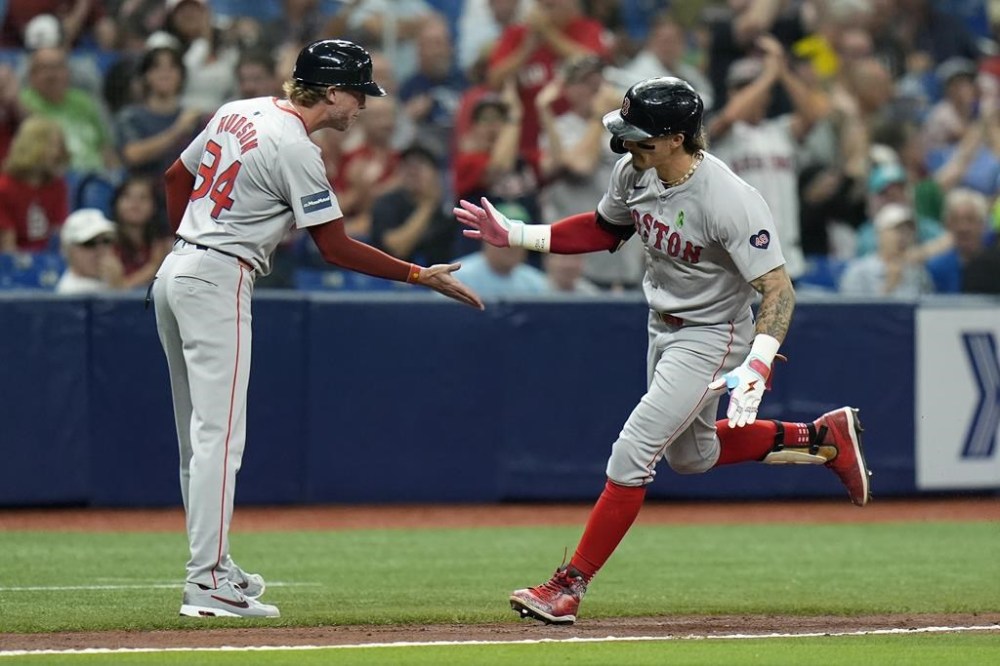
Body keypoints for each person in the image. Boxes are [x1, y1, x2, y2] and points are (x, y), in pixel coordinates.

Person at [455, 76, 871, 625]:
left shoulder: (727, 197)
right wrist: (519, 235)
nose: (627, 144)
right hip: (664, 325)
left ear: (677, 137)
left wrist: (759, 360)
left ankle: (568, 585)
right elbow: (605, 230)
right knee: (691, 457)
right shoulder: (636, 170)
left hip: (714, 332)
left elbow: (778, 289)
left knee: (633, 453)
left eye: (640, 135)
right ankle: (820, 437)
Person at [153, 38, 483, 619]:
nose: (361, 106)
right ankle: (205, 582)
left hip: (177, 268)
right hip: (217, 277)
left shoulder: (239, 109)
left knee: (198, 440)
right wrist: (417, 274)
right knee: (219, 440)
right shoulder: (295, 147)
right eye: (358, 93)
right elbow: (334, 247)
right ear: (331, 92)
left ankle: (215, 563)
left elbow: (173, 177)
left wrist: (192, 235)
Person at [54, 208, 124, 295]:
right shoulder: (72, 292)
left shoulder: (107, 280)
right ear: (69, 251)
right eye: (89, 243)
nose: (100, 250)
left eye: (106, 241)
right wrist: (118, 289)